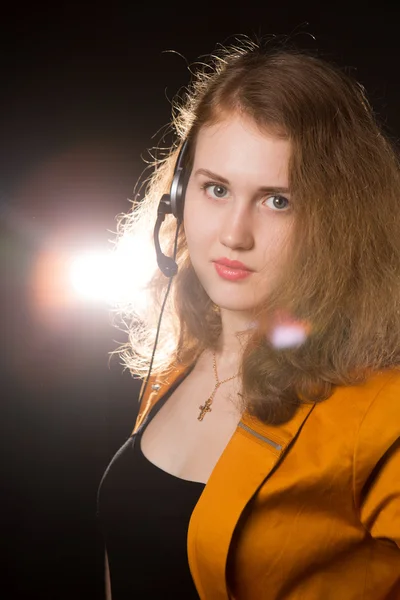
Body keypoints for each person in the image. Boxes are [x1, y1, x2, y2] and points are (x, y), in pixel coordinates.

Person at [97, 36, 400, 599]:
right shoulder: (184, 354)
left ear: (340, 220)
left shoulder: (383, 413)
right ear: (180, 193)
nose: (234, 235)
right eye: (216, 189)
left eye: (277, 199)